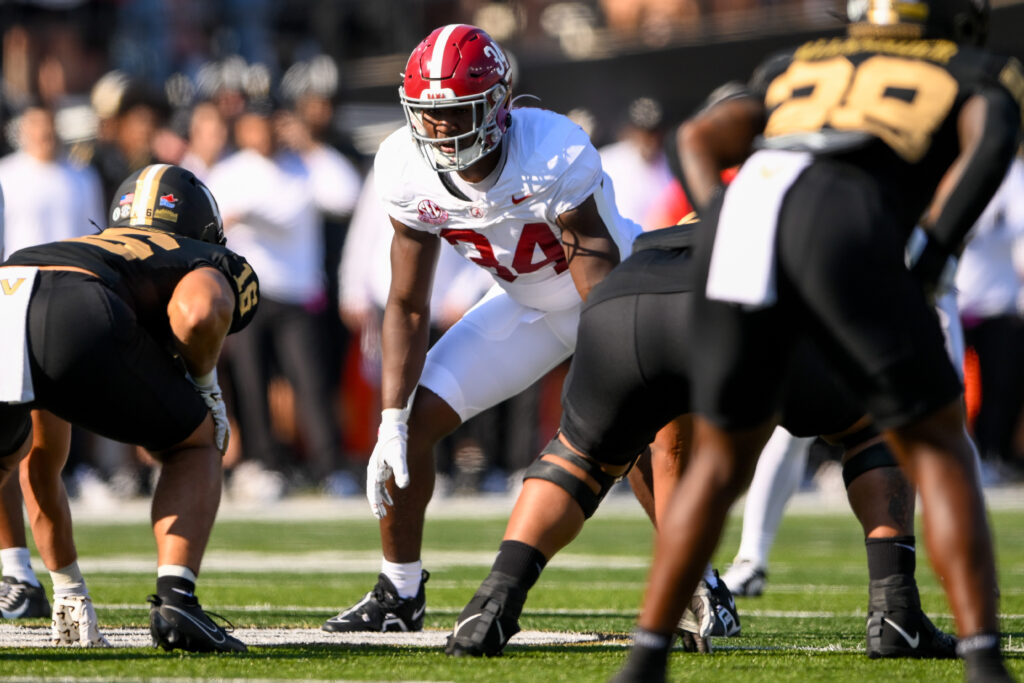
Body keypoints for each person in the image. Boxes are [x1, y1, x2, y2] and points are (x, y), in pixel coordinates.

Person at [611, 0, 1023, 679]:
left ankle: (647, 656)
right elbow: (991, 145)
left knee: (717, 462)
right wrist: (931, 259)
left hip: (749, 222)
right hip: (845, 219)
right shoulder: (977, 68)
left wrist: (722, 227)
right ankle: (984, 661)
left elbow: (696, 138)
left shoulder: (793, 62)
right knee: (941, 446)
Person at [443, 222, 956, 660]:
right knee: (873, 428)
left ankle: (492, 602)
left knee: (578, 459)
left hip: (626, 298)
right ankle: (896, 612)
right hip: (743, 302)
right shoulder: (844, 202)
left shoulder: (735, 189)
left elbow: (671, 434)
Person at [321, 23, 641, 633]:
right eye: (427, 114)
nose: (437, 129)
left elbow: (597, 281)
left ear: (497, 106)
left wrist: (611, 386)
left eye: (455, 112)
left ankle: (701, 586)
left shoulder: (550, 149)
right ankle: (400, 591)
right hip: (523, 307)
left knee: (633, 434)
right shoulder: (404, 165)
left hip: (607, 303)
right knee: (408, 428)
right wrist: (389, 420)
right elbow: (408, 305)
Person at [0, 163, 259, 653]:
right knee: (196, 444)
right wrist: (206, 387)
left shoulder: (69, 246)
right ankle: (178, 602)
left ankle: (64, 591)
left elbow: (43, 461)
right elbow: (200, 309)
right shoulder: (200, 253)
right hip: (80, 310)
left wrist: (68, 586)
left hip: (7, 284)